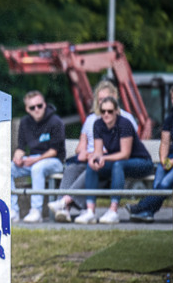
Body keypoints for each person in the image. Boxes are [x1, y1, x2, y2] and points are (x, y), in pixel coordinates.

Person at [49, 80, 137, 222]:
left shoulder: (126, 119)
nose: (103, 103)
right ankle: (64, 210)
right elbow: (81, 145)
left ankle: (66, 202)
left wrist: (95, 155)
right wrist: (83, 151)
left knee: (92, 167)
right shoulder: (91, 120)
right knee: (72, 168)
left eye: (107, 98)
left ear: (115, 96)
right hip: (89, 159)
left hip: (111, 163)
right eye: (100, 99)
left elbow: (125, 148)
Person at [74, 96, 154, 224]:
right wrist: (93, 158)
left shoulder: (124, 124)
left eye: (110, 111)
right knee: (92, 165)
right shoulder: (98, 124)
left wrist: (102, 158)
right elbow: (98, 152)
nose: (106, 114)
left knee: (118, 164)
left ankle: (113, 210)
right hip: (120, 164)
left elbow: (125, 154)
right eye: (103, 111)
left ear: (117, 111)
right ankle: (90, 211)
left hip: (142, 163)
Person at [125, 82, 173, 222]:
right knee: (158, 183)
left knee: (166, 183)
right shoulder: (170, 119)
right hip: (171, 158)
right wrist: (163, 159)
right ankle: (147, 214)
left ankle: (139, 208)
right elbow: (165, 142)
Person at [11, 90, 65, 223]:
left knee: (37, 168)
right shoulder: (24, 122)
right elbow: (21, 147)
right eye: (32, 107)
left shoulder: (55, 121)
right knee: (7, 168)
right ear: (27, 109)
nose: (37, 109)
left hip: (54, 161)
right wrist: (17, 157)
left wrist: (34, 160)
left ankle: (36, 211)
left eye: (39, 106)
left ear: (44, 104)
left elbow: (54, 151)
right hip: (33, 160)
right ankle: (12, 210)